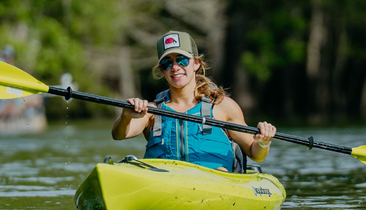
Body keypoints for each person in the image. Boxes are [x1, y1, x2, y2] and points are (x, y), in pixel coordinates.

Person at [112, 31, 276, 171]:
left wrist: (263, 142)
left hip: (216, 185)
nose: (175, 67)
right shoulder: (150, 111)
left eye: (182, 60)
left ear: (196, 63)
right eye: (167, 63)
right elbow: (119, 135)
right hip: (164, 186)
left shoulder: (223, 107)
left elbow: (255, 153)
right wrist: (126, 116)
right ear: (162, 70)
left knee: (220, 170)